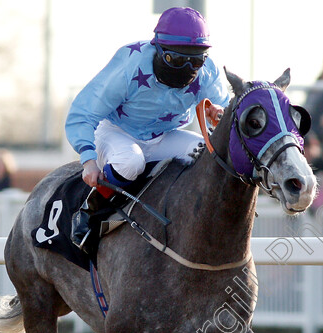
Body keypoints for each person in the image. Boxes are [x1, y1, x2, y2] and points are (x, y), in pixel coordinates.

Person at [64, 6, 230, 252]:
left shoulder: (208, 72)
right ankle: (90, 212)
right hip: (115, 132)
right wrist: (88, 160)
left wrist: (219, 116)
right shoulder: (131, 63)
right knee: (131, 162)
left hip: (163, 137)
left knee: (205, 154)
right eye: (177, 59)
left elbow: (228, 120)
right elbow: (82, 113)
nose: (187, 68)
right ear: (159, 49)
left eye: (196, 60)